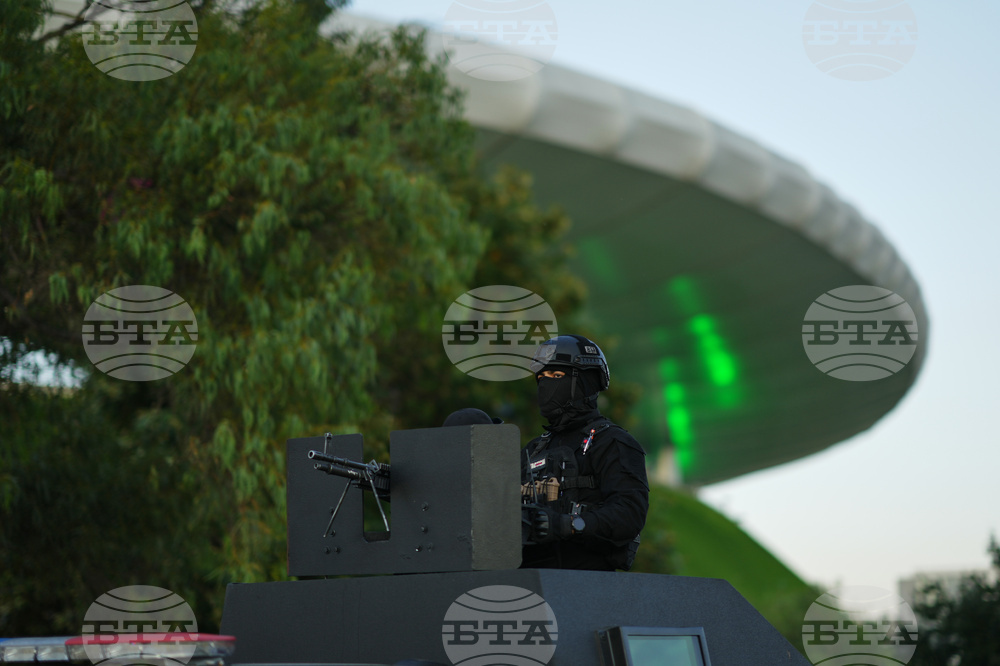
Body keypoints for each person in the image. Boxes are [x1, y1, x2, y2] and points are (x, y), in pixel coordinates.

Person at [521, 334, 649, 571]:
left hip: (588, 586)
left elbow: (629, 515)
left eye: (556, 376)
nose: (545, 385)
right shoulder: (533, 449)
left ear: (585, 382)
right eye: (541, 378)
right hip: (529, 582)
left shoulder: (612, 442)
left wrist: (569, 524)